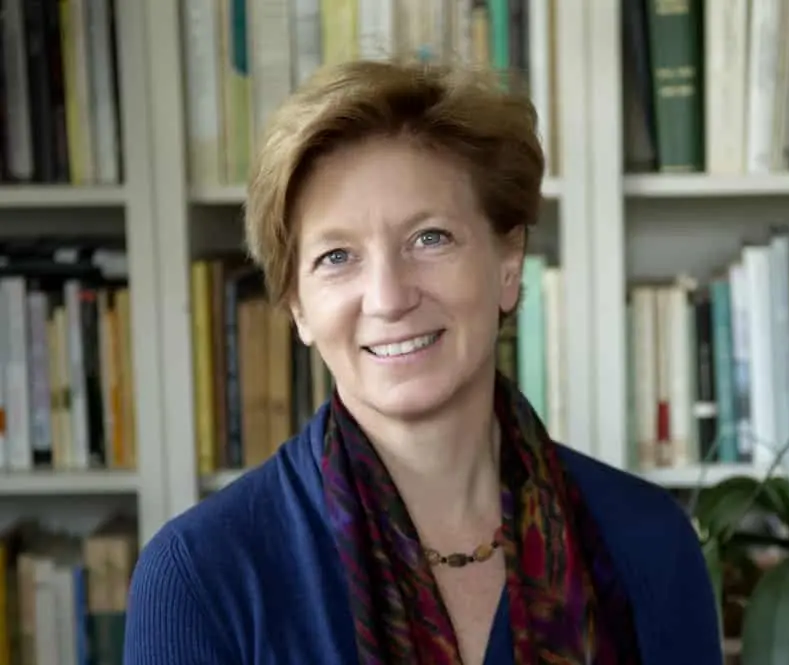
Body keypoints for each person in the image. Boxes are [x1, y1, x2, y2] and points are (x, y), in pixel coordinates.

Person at [123, 59, 722, 665]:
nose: (388, 297)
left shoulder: (646, 542)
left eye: (429, 238)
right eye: (337, 256)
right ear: (298, 307)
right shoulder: (200, 576)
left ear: (508, 264)